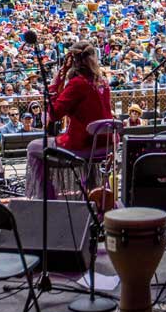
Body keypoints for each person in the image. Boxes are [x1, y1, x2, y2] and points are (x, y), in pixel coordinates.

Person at [25, 40, 114, 199]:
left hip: (83, 144)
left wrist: (55, 82)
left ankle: (46, 199)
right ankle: (94, 196)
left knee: (33, 148)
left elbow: (54, 115)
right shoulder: (103, 82)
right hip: (105, 143)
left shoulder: (77, 84)